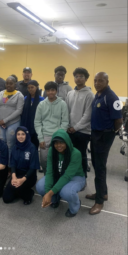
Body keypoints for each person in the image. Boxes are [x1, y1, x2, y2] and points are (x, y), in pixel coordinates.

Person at [86, 72, 122, 215]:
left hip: (104, 135)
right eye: (95, 80)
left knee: (99, 168)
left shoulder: (111, 97)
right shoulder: (98, 95)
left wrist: (109, 134)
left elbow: (118, 121)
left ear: (107, 81)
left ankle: (99, 202)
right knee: (97, 165)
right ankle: (103, 193)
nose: (97, 83)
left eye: (100, 80)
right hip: (95, 134)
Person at [36, 129, 85, 217]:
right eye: (56, 143)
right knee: (40, 186)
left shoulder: (75, 153)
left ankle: (75, 206)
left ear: (67, 142)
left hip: (75, 177)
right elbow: (50, 172)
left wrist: (49, 193)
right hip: (58, 174)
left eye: (61, 142)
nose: (58, 145)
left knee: (66, 192)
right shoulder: (52, 150)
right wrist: (48, 193)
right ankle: (54, 200)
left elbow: (67, 176)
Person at [34, 81, 69, 175]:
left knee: (58, 160)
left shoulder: (62, 104)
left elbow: (65, 122)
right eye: (48, 90)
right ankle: (47, 176)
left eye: (52, 90)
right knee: (44, 160)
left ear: (56, 91)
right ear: (45, 92)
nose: (50, 92)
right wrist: (41, 138)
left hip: (58, 135)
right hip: (45, 136)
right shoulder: (41, 105)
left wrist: (60, 136)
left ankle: (57, 178)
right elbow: (37, 122)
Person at [66, 68, 95, 178]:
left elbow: (87, 115)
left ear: (86, 78)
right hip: (70, 130)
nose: (78, 78)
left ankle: (82, 177)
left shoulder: (90, 95)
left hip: (83, 132)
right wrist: (68, 126)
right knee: (69, 155)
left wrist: (75, 128)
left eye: (81, 76)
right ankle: (71, 176)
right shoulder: (70, 93)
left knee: (81, 155)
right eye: (76, 76)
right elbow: (67, 111)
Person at [3, 127, 40, 205]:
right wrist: (13, 177)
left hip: (29, 176)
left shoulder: (32, 148)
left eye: (23, 134)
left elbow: (33, 167)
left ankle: (30, 193)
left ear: (26, 135)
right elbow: (12, 164)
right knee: (6, 199)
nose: (20, 136)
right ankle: (18, 190)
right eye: (18, 134)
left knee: (17, 187)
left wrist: (23, 179)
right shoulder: (14, 147)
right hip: (17, 174)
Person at [0, 75, 24, 159]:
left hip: (13, 123)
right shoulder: (0, 94)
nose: (9, 85)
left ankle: (10, 165)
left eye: (11, 83)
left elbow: (19, 110)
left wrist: (5, 120)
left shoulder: (19, 95)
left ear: (15, 84)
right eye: (7, 83)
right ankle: (2, 163)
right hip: (0, 123)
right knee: (1, 142)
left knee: (10, 143)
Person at [21, 80, 44, 150]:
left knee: (34, 147)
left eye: (32, 87)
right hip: (26, 125)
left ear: (36, 87)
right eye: (29, 88)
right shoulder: (25, 99)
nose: (30, 89)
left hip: (36, 127)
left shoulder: (41, 99)